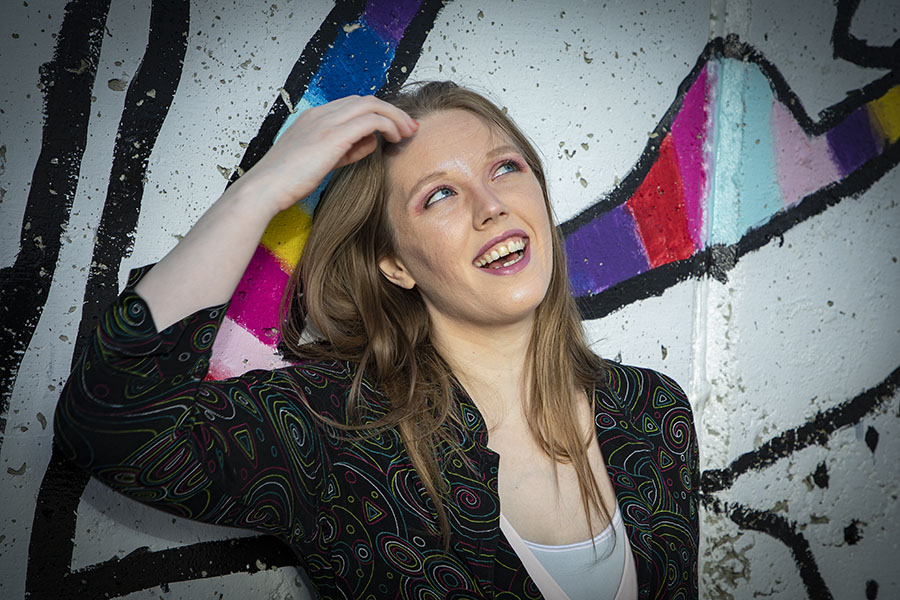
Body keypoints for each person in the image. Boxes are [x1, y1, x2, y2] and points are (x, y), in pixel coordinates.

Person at [56, 81, 698, 599]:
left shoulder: (652, 410)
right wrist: (262, 188)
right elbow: (112, 426)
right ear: (395, 264)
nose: (491, 206)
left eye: (505, 168)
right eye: (439, 195)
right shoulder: (338, 430)